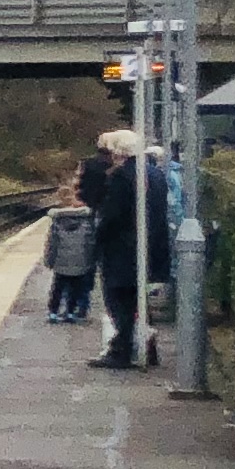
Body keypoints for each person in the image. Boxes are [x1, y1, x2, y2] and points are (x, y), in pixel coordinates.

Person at [88, 125, 170, 369]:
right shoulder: (155, 174)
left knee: (119, 301)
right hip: (152, 247)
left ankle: (121, 350)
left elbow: (112, 216)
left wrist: (96, 240)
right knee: (140, 301)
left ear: (118, 152)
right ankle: (147, 346)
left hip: (122, 251)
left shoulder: (122, 177)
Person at [43, 171, 99, 323]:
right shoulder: (87, 220)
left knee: (58, 288)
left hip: (61, 262)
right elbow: (90, 242)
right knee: (76, 288)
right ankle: (71, 312)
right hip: (81, 262)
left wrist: (49, 260)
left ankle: (53, 312)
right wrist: (91, 260)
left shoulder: (57, 221)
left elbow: (52, 243)